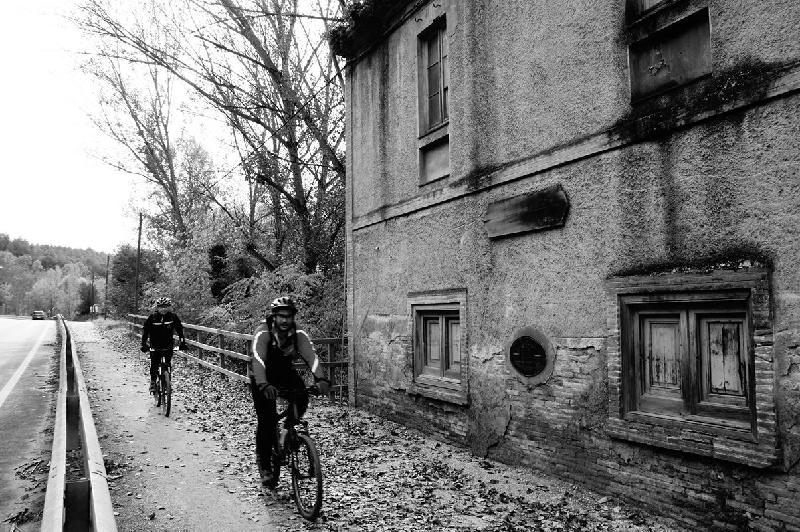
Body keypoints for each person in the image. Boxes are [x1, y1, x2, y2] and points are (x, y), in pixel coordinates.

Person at [249, 296, 330, 487]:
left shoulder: (298, 333)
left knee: (301, 397)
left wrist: (321, 379)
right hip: (262, 377)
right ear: (274, 317)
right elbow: (258, 359)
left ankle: (287, 430)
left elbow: (311, 356)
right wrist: (263, 384)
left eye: (289, 316)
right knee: (266, 421)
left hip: (284, 373)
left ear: (293, 317)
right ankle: (265, 464)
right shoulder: (263, 333)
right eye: (281, 316)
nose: (285, 320)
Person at [140, 297, 186, 392]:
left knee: (168, 363)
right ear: (157, 308)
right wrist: (143, 344)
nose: (163, 309)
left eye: (166, 307)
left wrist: (182, 342)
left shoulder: (173, 317)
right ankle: (153, 382)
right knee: (154, 363)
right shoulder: (152, 317)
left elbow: (179, 330)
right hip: (155, 345)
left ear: (169, 307)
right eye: (161, 307)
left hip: (168, 345)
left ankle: (167, 382)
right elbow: (145, 331)